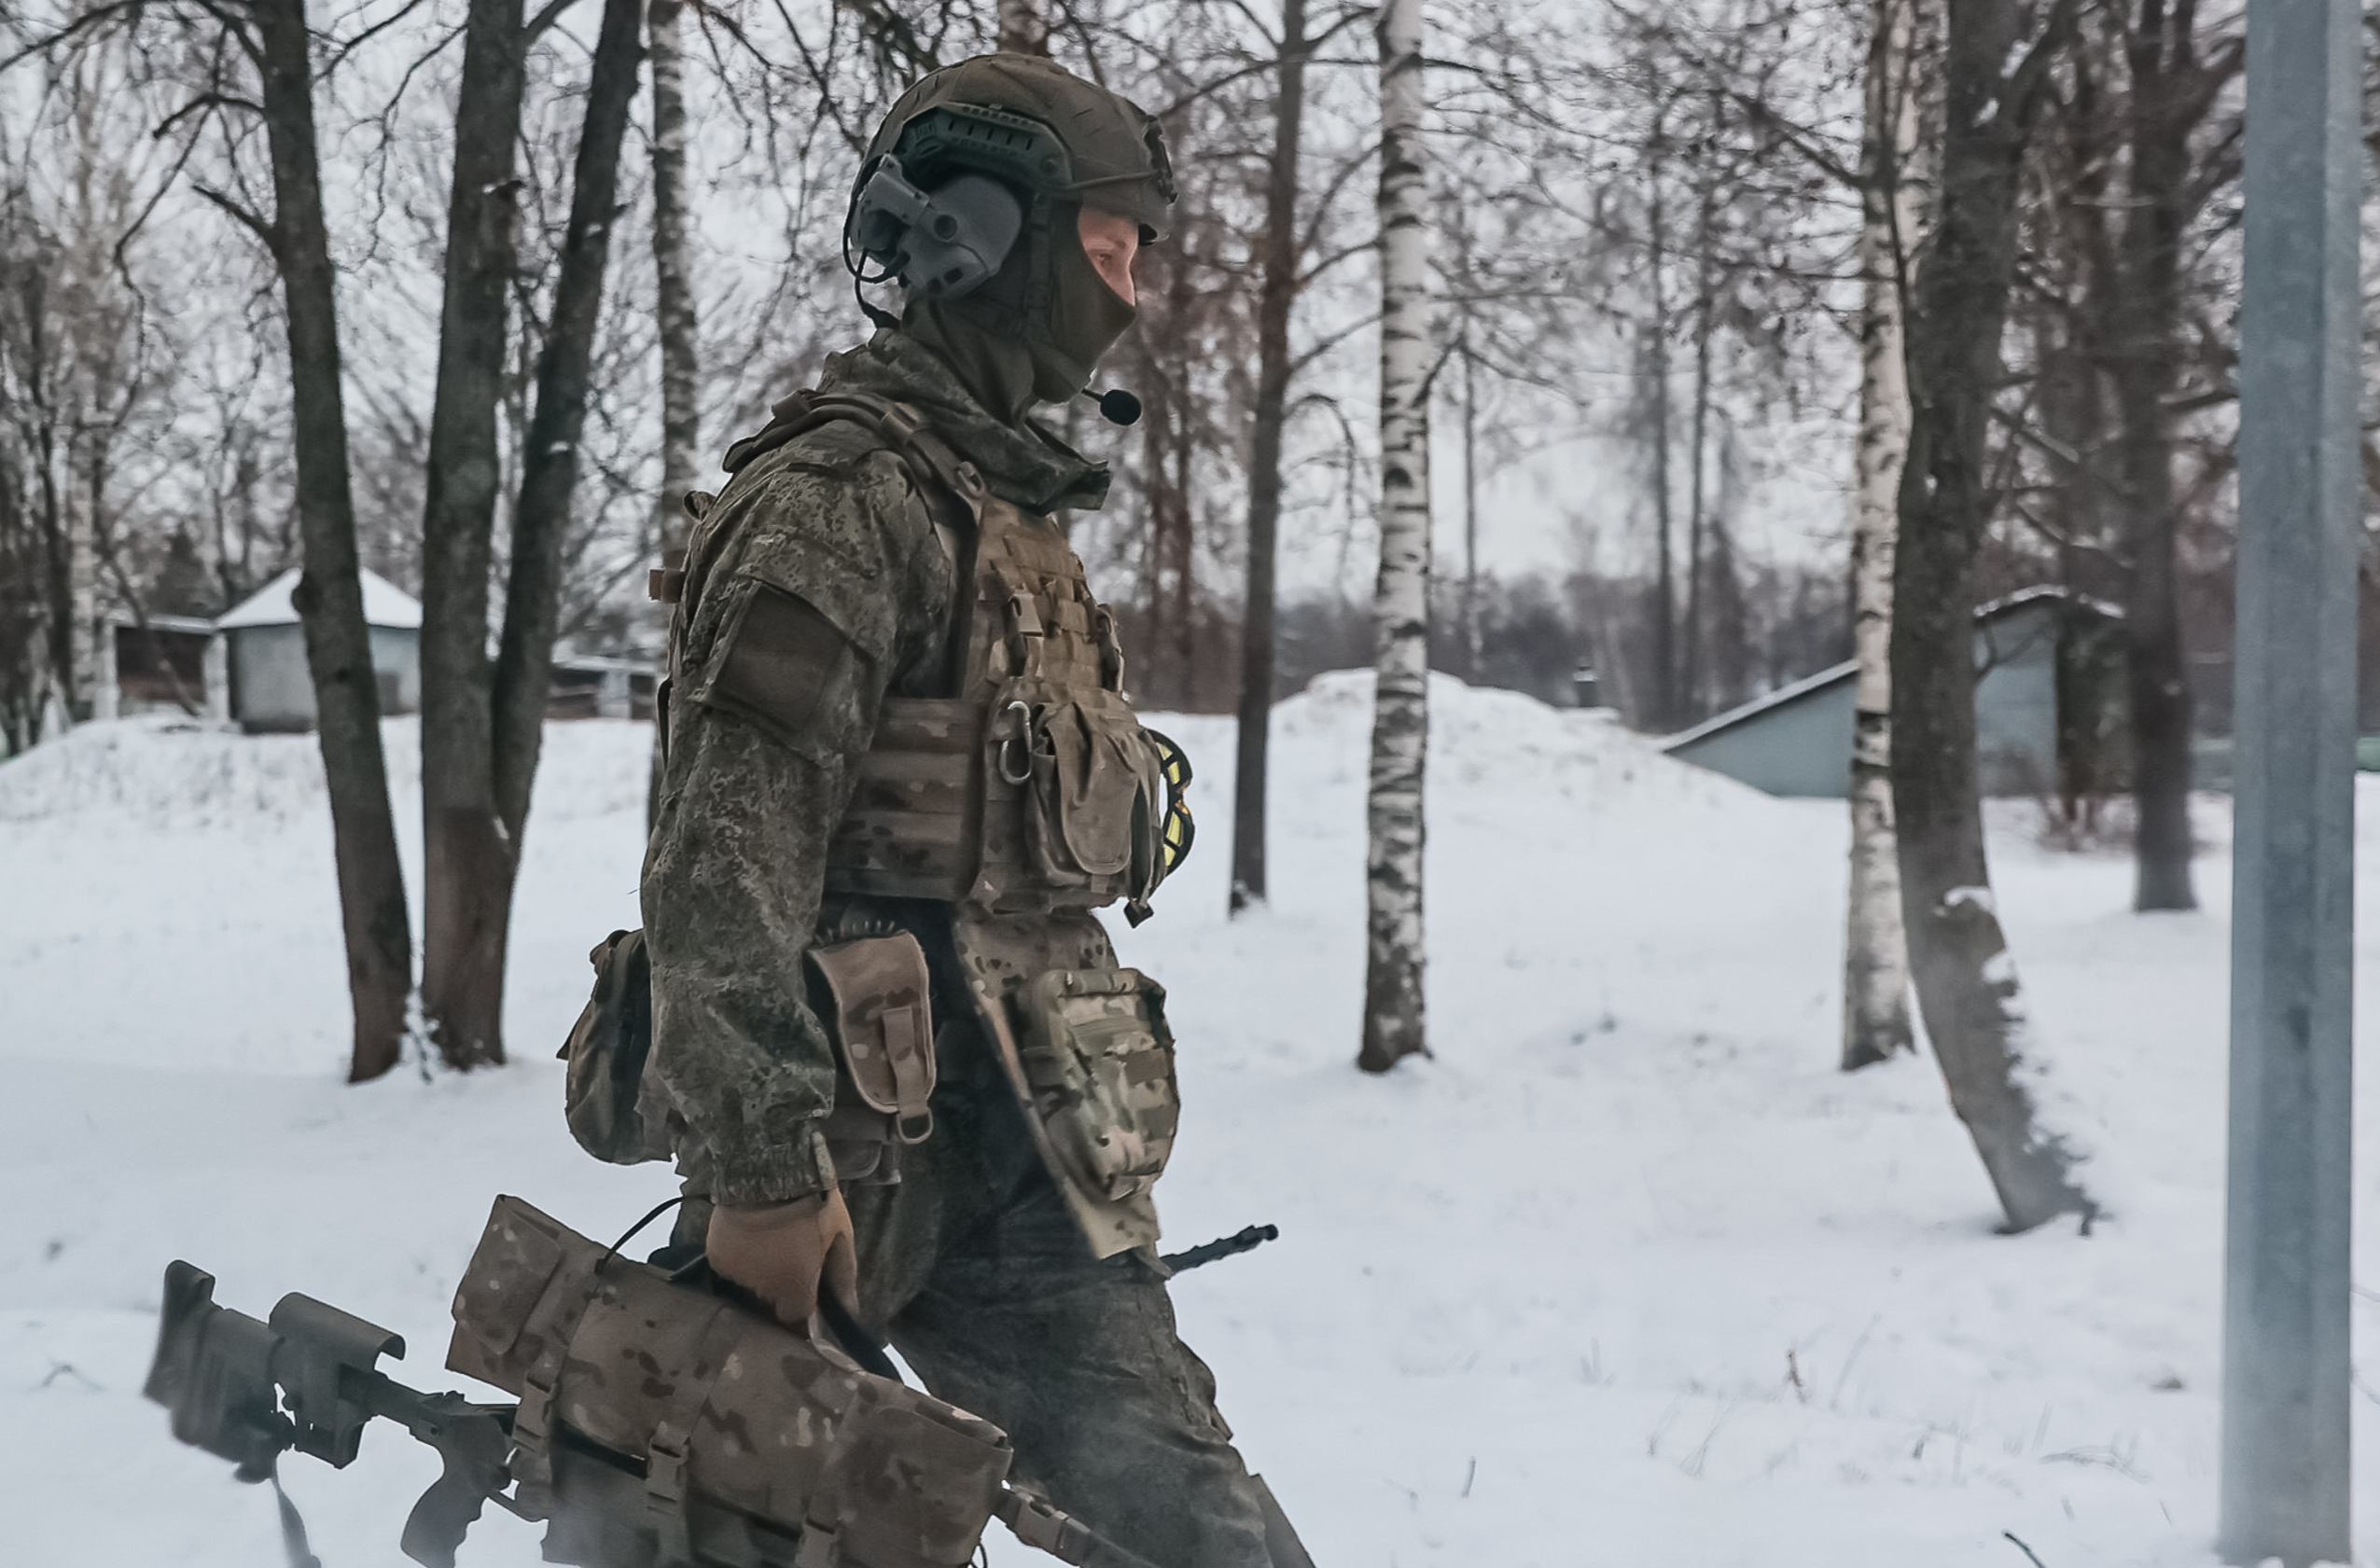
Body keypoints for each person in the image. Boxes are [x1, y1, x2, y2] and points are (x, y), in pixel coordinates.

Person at [640, 52, 1311, 1568]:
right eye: (1109, 248)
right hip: (849, 1166)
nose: (1131, 290)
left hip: (1026, 1167)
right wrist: (758, 1169)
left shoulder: (1005, 520)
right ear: (979, 240)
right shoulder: (839, 499)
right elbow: (718, 850)